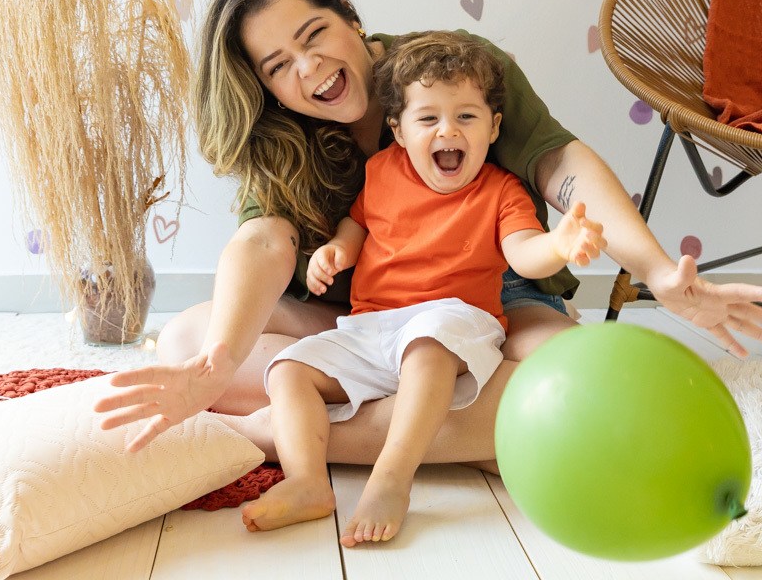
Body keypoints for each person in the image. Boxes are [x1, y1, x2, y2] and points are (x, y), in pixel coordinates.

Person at [94, 0, 762, 470]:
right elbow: (262, 242)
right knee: (191, 340)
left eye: (314, 36)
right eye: (277, 66)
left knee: (581, 394)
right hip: (365, 316)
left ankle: (280, 433)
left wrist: (659, 272)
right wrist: (218, 364)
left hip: (494, 297)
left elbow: (560, 165)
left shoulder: (455, 67)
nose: (307, 70)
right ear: (265, 87)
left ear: (350, 18)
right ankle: (455, 416)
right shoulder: (281, 135)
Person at [243, 31, 605, 545]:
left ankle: (392, 477)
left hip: (455, 321)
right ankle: (306, 482)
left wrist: (560, 244)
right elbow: (358, 225)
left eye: (466, 117)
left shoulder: (501, 191)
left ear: (493, 126)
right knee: (288, 370)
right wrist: (334, 253)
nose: (447, 131)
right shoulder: (380, 171)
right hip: (373, 325)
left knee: (428, 344)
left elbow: (523, 250)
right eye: (428, 118)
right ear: (399, 128)